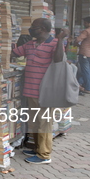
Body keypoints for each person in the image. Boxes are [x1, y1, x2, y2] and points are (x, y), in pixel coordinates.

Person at [11, 18, 66, 164]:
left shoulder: (54, 43)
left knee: (44, 122)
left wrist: (60, 40)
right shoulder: (30, 44)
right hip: (30, 89)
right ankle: (36, 147)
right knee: (34, 121)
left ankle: (44, 155)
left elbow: (59, 60)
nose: (31, 29)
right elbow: (15, 53)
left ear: (41, 28)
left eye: (33, 27)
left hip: (46, 91)